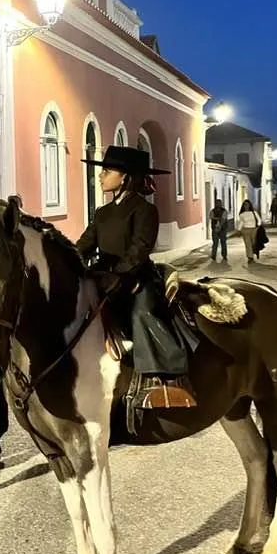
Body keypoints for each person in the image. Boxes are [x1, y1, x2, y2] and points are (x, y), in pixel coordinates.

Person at [75, 145, 197, 409]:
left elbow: (140, 248)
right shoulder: (102, 213)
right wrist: (69, 259)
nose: (101, 176)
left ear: (125, 177)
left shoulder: (144, 210)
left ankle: (168, 378)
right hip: (103, 275)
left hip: (136, 277)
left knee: (143, 312)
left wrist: (117, 274)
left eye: (107, 171)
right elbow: (85, 244)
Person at [237, 199, 262, 264]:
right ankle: (250, 257)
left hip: (254, 230)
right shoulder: (242, 214)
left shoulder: (254, 213)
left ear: (250, 205)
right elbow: (241, 222)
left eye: (247, 204)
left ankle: (254, 252)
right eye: (245, 205)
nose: (246, 206)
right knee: (248, 244)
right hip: (245, 230)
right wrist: (239, 230)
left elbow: (259, 220)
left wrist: (258, 226)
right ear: (243, 206)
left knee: (254, 243)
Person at [209, 199, 229, 263]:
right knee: (215, 243)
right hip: (215, 229)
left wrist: (220, 225)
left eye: (219, 203)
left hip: (223, 229)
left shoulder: (224, 211)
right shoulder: (212, 211)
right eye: (217, 203)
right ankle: (213, 255)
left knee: (223, 242)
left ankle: (224, 255)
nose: (218, 204)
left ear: (221, 204)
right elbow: (211, 217)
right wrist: (219, 219)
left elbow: (223, 219)